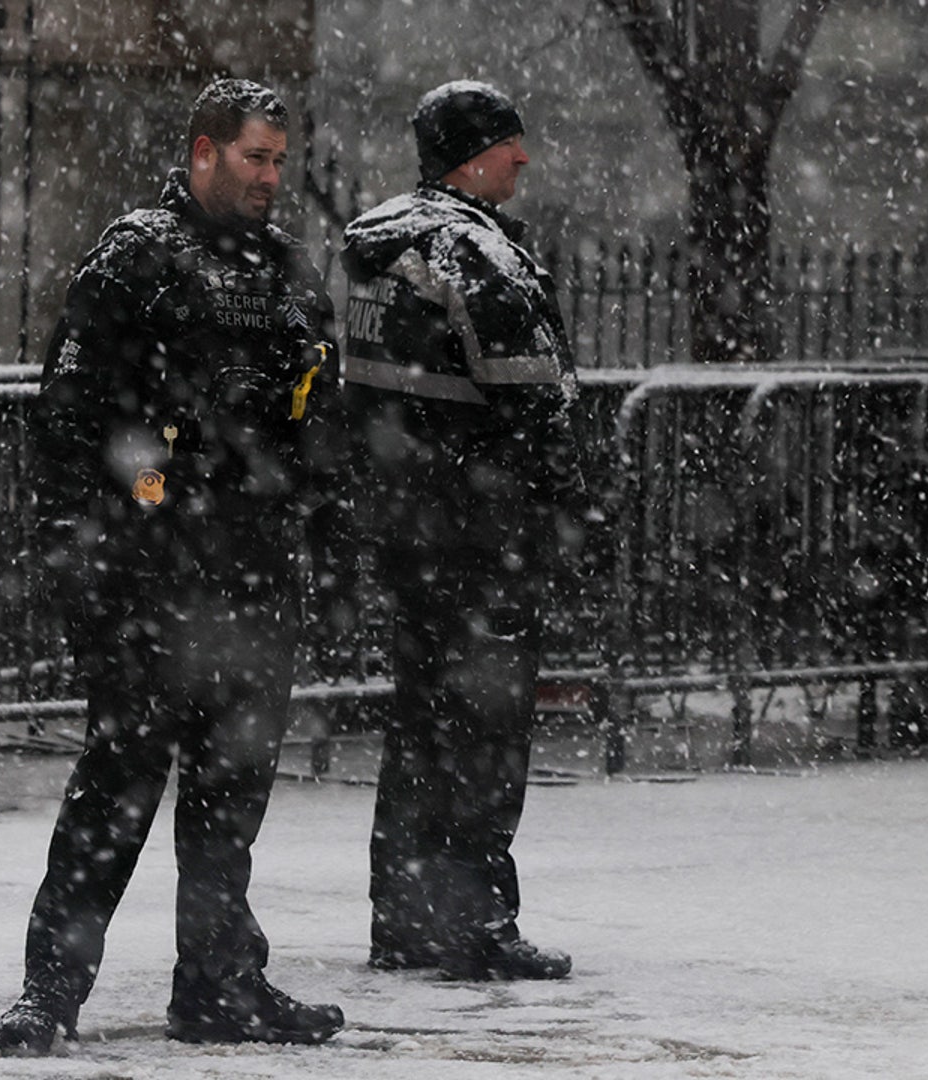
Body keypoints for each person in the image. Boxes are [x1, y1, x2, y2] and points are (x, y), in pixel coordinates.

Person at [0, 79, 346, 1055]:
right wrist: (110, 545)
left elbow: (318, 423)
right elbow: (70, 423)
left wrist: (318, 528)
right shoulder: (136, 259)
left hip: (254, 578)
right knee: (118, 787)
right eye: (255, 158)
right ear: (203, 152)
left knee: (231, 801)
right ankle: (51, 993)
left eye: (280, 160)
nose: (273, 177)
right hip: (147, 581)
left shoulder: (284, 271)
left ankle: (220, 985)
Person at [338, 79, 581, 981]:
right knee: (483, 729)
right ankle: (475, 921)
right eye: (510, 142)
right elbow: (534, 399)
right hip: (485, 532)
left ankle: (403, 916)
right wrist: (564, 505)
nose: (523, 157)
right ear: (471, 151)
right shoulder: (471, 249)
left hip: (409, 527)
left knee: (419, 724)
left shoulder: (372, 247)